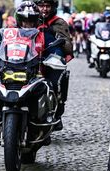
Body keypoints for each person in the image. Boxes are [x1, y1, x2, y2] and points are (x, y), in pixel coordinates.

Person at [0, 2, 65, 137]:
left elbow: (55, 48)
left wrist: (56, 57)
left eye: (31, 20)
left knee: (47, 86)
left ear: (36, 20)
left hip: (33, 73)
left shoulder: (44, 34)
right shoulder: (8, 33)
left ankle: (46, 118)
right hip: (8, 70)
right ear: (19, 20)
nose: (27, 24)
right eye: (24, 20)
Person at [33, 0, 74, 131]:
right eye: (41, 6)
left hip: (52, 61)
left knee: (55, 84)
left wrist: (53, 34)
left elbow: (68, 47)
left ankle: (55, 113)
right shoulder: (29, 19)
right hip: (31, 59)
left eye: (47, 6)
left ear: (53, 7)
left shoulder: (59, 22)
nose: (44, 9)